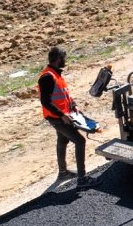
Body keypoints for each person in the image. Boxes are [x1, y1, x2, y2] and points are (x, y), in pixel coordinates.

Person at [39, 46, 93, 186]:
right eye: (64, 58)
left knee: (62, 141)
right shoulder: (47, 77)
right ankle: (82, 179)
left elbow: (64, 94)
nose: (65, 61)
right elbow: (45, 101)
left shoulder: (56, 74)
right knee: (80, 141)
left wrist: (73, 105)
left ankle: (63, 172)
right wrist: (62, 115)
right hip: (57, 118)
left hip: (62, 115)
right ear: (59, 59)